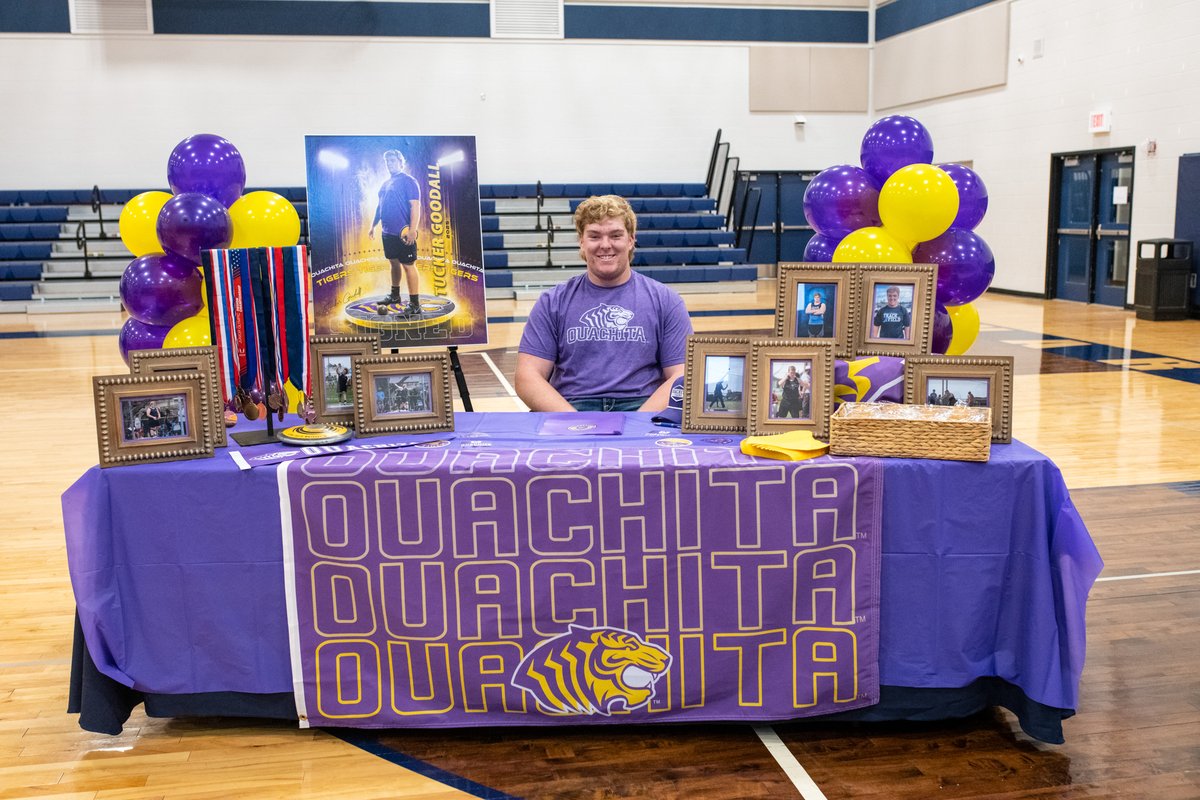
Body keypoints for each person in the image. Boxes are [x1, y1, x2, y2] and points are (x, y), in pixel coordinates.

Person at [516, 195, 692, 412]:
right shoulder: (552, 302)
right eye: (594, 236)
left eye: (616, 235)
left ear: (631, 240)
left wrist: (638, 423)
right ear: (582, 241)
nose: (605, 245)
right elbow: (528, 377)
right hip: (570, 407)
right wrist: (574, 423)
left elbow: (682, 375)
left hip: (644, 406)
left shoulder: (666, 301)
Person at [367, 149, 423, 317]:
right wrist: (373, 225)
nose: (389, 164)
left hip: (403, 233)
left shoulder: (409, 181)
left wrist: (413, 230)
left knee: (408, 265)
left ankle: (415, 305)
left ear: (400, 162)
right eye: (387, 161)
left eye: (392, 160)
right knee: (393, 263)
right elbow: (380, 206)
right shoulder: (385, 184)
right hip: (387, 232)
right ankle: (395, 295)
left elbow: (415, 206)